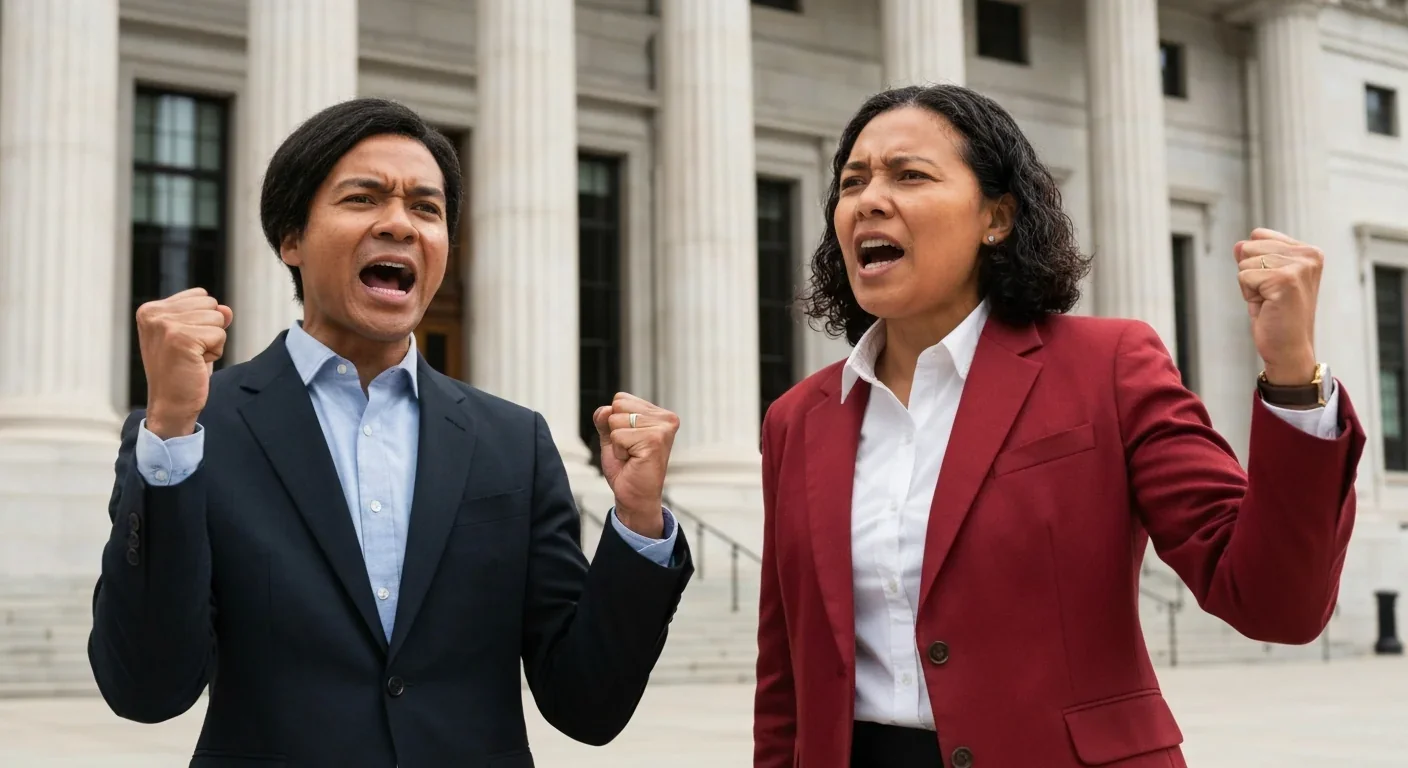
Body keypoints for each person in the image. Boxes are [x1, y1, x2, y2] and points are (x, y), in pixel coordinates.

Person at [753, 84, 1364, 768]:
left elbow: (1275, 603)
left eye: (910, 175)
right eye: (852, 181)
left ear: (997, 217)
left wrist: (1292, 374)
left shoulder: (1108, 366)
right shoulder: (797, 420)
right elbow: (784, 679)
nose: (868, 198)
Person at [89, 98, 693, 767]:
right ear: (291, 238)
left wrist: (638, 520)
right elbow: (147, 689)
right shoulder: (198, 432)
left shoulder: (511, 441)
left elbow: (588, 705)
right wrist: (170, 428)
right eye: (364, 197)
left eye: (426, 208)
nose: (400, 224)